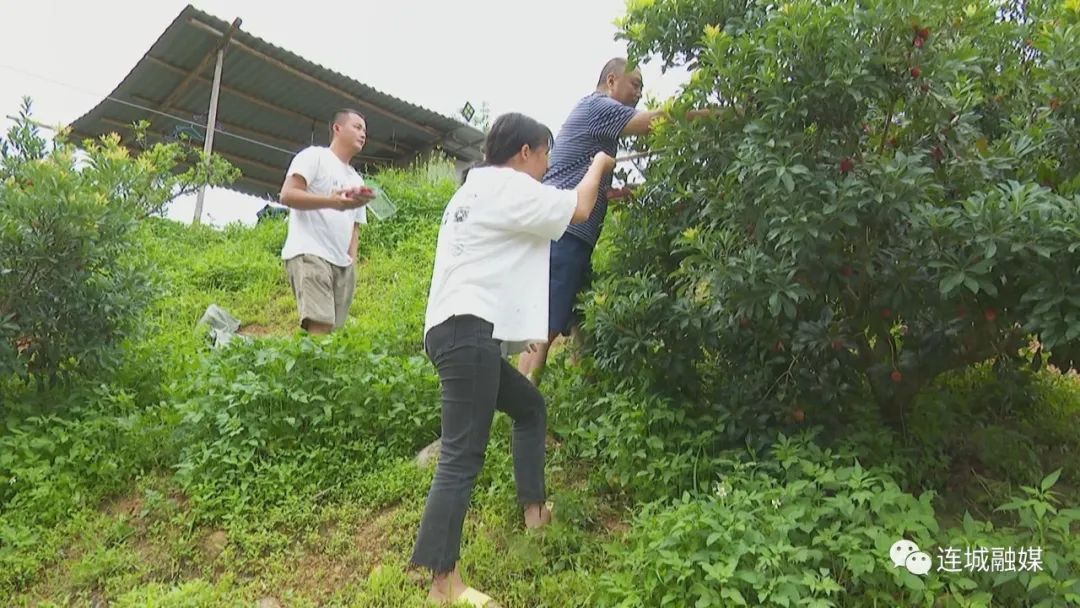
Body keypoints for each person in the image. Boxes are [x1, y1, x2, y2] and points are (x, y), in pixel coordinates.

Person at [412, 112, 616, 606]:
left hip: (457, 331)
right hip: (466, 333)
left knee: (529, 407)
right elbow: (581, 208)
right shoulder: (507, 184)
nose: (547, 166)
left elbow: (505, 253)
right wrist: (600, 163)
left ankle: (535, 513)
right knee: (461, 457)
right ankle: (444, 583)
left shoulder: (475, 191)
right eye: (545, 155)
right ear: (524, 153)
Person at [516, 57, 712, 384]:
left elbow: (577, 173)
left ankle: (581, 395)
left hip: (570, 234)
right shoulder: (599, 107)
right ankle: (520, 411)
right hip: (564, 233)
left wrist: (613, 193)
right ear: (611, 80)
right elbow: (653, 122)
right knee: (545, 326)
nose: (638, 93)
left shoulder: (596, 118)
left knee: (583, 320)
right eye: (634, 84)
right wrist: (711, 116)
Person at [278, 109, 376, 334]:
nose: (363, 134)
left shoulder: (355, 178)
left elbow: (355, 226)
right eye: (357, 127)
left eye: (365, 130)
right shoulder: (314, 156)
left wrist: (351, 261)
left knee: (334, 335)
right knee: (320, 327)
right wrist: (332, 201)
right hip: (310, 252)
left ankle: (311, 367)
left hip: (342, 264)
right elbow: (288, 195)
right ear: (337, 128)